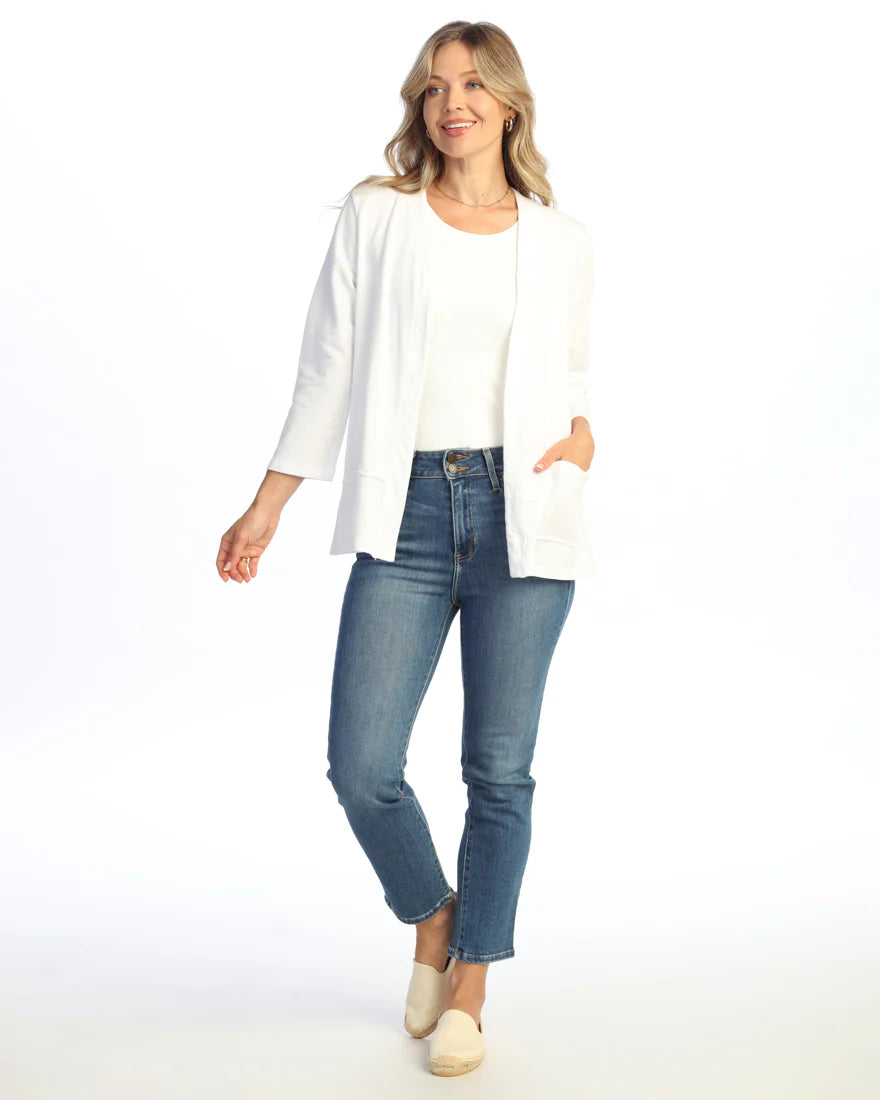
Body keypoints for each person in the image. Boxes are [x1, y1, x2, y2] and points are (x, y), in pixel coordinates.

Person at [215, 21, 597, 1078]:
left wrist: (582, 439)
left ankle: (471, 982)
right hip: (411, 513)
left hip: (525, 512)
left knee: (499, 770)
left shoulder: (560, 239)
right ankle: (434, 917)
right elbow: (326, 367)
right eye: (434, 87)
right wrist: (267, 505)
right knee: (363, 764)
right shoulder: (377, 216)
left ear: (508, 102)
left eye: (471, 84)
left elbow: (570, 377)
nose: (451, 103)